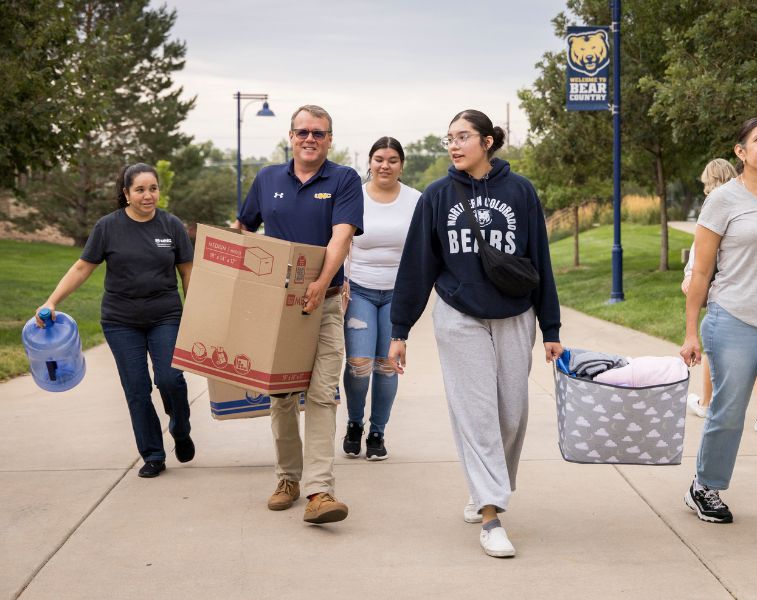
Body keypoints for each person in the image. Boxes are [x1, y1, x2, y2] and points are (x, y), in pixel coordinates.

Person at [388, 109, 562, 557]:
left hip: (515, 314)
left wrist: (551, 327)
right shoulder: (437, 196)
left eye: (463, 136)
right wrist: (400, 328)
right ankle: (491, 514)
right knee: (478, 414)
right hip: (458, 315)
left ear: (487, 141)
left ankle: (483, 486)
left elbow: (539, 260)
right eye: (449, 138)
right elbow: (416, 266)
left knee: (512, 414)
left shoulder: (520, 191)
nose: (454, 145)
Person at [233, 105, 363, 524]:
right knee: (282, 396)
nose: (311, 139)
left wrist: (322, 283)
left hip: (324, 304)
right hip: (277, 309)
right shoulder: (267, 179)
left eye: (319, 133)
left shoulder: (343, 179)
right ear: (290, 136)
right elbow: (243, 231)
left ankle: (320, 491)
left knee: (323, 393)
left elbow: (340, 237)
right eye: (303, 132)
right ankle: (287, 478)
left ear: (330, 139)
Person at [35, 163, 195, 478]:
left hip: (166, 315)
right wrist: (52, 301)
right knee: (136, 388)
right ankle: (153, 454)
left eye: (153, 188)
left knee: (170, 379)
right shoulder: (108, 227)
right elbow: (82, 267)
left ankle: (179, 425)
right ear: (126, 193)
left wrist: (196, 314)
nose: (148, 196)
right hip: (121, 321)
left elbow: (187, 271)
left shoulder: (171, 226)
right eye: (140, 190)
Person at [680, 116, 757, 524]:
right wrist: (691, 332)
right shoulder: (724, 199)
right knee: (727, 412)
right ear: (741, 152)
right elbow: (702, 271)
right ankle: (705, 486)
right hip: (734, 320)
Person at [341, 137, 421, 461]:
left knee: (387, 365)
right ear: (370, 162)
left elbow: (422, 250)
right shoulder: (354, 196)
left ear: (401, 165)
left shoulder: (416, 200)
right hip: (359, 288)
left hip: (397, 295)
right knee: (360, 365)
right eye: (378, 159)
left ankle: (377, 432)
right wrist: (341, 281)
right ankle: (354, 422)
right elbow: (341, 239)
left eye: (392, 160)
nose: (384, 165)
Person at [682, 159, 757, 433]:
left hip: (724, 294)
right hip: (752, 292)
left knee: (716, 350)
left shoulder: (715, 205)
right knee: (755, 355)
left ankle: (707, 402)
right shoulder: (748, 200)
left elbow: (699, 260)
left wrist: (689, 279)